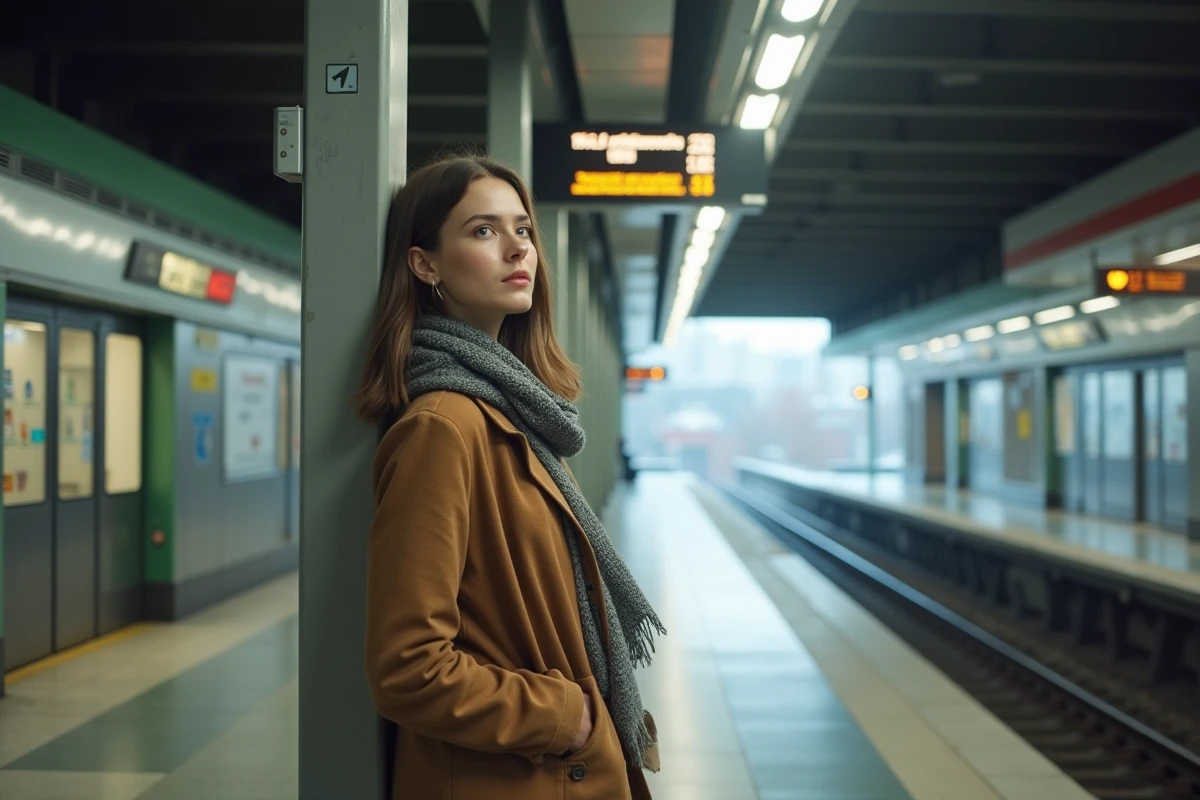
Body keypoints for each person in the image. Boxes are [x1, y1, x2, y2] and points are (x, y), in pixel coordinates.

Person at [356, 153, 665, 800]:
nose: (516, 249)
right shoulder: (443, 427)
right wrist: (566, 717)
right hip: (516, 776)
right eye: (483, 231)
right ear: (425, 265)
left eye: (523, 230)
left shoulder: (516, 413)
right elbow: (407, 668)